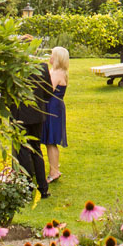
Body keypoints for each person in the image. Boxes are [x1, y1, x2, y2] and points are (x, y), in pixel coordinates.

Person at [13, 56, 53, 198]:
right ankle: (42, 187)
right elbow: (49, 91)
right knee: (36, 149)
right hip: (36, 113)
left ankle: (27, 187)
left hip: (19, 113)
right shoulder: (42, 66)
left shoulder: (14, 66)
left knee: (23, 149)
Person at [41, 46, 70, 183]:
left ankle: (54, 171)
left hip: (53, 108)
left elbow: (47, 90)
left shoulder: (57, 73)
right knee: (49, 140)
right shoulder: (56, 71)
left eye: (52, 55)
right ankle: (54, 167)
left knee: (51, 141)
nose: (49, 57)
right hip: (52, 106)